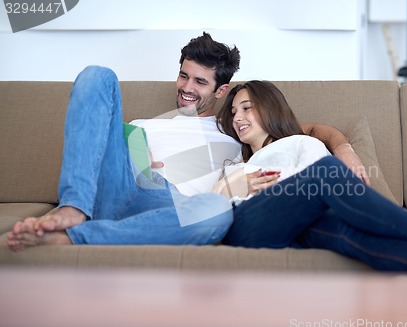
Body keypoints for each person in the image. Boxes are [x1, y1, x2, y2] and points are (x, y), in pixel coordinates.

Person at [7, 33, 366, 250]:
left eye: (200, 82)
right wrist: (137, 156)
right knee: (98, 76)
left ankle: (77, 237)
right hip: (123, 185)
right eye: (183, 75)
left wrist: (345, 150)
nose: (187, 88)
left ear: (221, 90)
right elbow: (104, 145)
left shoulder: (236, 126)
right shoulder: (144, 125)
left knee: (216, 211)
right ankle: (74, 208)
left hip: (176, 209)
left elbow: (314, 129)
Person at [214, 80, 407, 278]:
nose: (238, 117)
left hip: (295, 225)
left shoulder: (300, 143)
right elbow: (213, 203)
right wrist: (234, 184)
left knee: (341, 232)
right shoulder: (236, 164)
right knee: (326, 170)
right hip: (246, 224)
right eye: (234, 112)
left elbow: (315, 195)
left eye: (246, 108)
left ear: (270, 109)